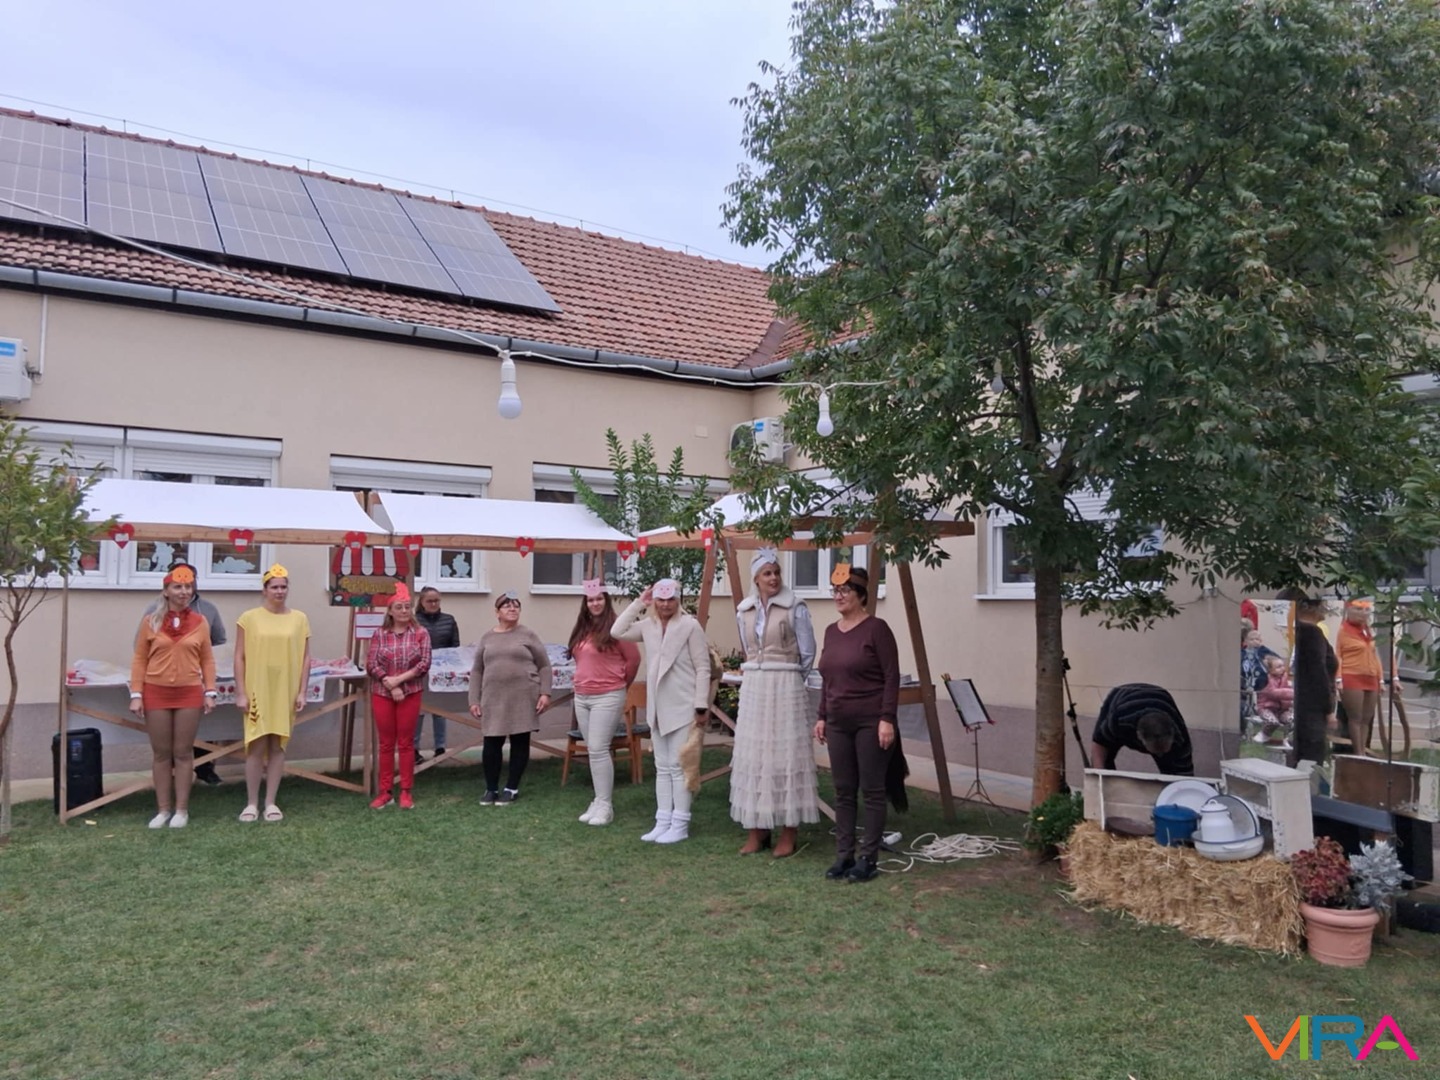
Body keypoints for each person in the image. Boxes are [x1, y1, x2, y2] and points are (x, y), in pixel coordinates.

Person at [730, 548, 819, 858]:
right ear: (756, 578)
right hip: (756, 686)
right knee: (755, 756)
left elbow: (808, 652)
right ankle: (757, 829)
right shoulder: (744, 610)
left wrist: (789, 676)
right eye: (767, 573)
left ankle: (789, 830)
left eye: (776, 572)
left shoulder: (795, 607)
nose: (773, 578)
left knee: (787, 755)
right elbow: (748, 646)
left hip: (785, 685)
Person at [815, 564, 899, 883]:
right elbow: (828, 679)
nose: (838, 596)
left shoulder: (877, 629)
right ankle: (844, 855)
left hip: (870, 721)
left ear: (861, 595)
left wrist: (887, 718)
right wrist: (822, 715)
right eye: (835, 591)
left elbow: (891, 676)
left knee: (872, 790)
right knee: (843, 790)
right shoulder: (831, 631)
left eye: (845, 591)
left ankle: (868, 859)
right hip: (838, 721)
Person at [613, 578, 711, 844]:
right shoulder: (648, 625)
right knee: (662, 767)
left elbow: (703, 667)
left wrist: (701, 705)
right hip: (658, 707)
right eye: (660, 599)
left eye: (670, 600)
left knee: (680, 767)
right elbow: (617, 631)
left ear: (678, 600)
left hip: (684, 706)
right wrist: (639, 603)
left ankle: (680, 823)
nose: (665, 605)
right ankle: (663, 821)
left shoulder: (690, 626)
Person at [129, 565, 218, 828]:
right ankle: (162, 809)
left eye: (188, 587)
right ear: (166, 591)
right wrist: (136, 693)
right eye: (177, 587)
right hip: (155, 691)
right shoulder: (150, 621)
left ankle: (181, 810)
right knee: (161, 753)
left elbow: (207, 660)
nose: (183, 591)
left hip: (188, 692)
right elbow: (140, 659)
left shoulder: (201, 622)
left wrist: (210, 690)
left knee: (183, 752)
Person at [234, 564, 311, 823]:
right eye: (274, 587)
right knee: (256, 745)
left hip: (284, 689)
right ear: (265, 590)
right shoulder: (249, 618)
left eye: (283, 587)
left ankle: (270, 802)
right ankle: (251, 803)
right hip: (258, 688)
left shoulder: (299, 619)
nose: (279, 591)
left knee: (278, 746)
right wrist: (241, 692)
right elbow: (239, 656)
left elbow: (306, 657)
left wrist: (302, 691)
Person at [141, 557, 227, 786]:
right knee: (164, 745)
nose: (184, 589)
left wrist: (208, 681)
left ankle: (204, 769)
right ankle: (166, 784)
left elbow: (217, 643)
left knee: (192, 740)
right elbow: (141, 651)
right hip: (160, 685)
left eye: (189, 582)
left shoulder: (208, 611)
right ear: (167, 586)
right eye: (178, 584)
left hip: (192, 683)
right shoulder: (153, 613)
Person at [568, 579, 641, 826]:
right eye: (590, 600)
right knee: (593, 750)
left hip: (607, 695)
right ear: (585, 603)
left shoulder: (616, 627)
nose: (595, 603)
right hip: (582, 695)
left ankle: (605, 805)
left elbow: (633, 660)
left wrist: (621, 685)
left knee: (599, 748)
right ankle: (598, 801)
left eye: (599, 598)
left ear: (606, 600)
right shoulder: (583, 628)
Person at [468, 591, 552, 805]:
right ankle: (491, 789)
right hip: (493, 697)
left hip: (523, 696)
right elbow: (477, 670)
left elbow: (544, 665)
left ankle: (511, 788)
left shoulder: (528, 634)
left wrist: (545, 693)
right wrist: (473, 699)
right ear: (497, 612)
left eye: (516, 605)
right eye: (507, 606)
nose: (512, 609)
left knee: (520, 741)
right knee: (491, 742)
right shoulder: (487, 637)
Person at [367, 582, 432, 810]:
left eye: (407, 607)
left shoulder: (421, 633)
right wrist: (389, 683)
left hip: (410, 692)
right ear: (390, 611)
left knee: (406, 742)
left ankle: (406, 790)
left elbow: (424, 663)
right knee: (386, 743)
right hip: (382, 693)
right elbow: (371, 664)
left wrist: (399, 680)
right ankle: (385, 791)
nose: (404, 611)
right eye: (399, 607)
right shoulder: (380, 634)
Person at [1089, 683, 1194, 776]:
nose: (1160, 755)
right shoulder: (1120, 720)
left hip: (1160, 699)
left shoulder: (1180, 737)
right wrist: (1100, 776)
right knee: (1104, 763)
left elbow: (1185, 775)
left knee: (1170, 767)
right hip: (1121, 696)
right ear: (1139, 736)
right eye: (1156, 751)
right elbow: (1099, 744)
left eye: (1163, 750)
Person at [1288, 592, 1339, 767]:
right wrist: (1328, 709)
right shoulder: (1312, 632)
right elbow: (1318, 672)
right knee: (1311, 756)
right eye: (1321, 605)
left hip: (1304, 702)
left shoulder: (1301, 631)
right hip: (1312, 706)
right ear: (1308, 607)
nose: (1324, 609)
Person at [412, 587, 459, 762]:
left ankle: (440, 747)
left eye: (436, 600)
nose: (433, 604)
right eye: (429, 601)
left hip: (442, 670)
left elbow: (455, 646)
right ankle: (414, 749)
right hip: (419, 670)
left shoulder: (449, 620)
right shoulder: (413, 621)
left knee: (440, 710)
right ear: (422, 602)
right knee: (418, 710)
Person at [1337, 599, 1383, 757]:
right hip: (1352, 675)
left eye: (1366, 610)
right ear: (1349, 610)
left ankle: (1363, 750)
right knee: (1355, 717)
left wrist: (1381, 679)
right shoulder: (1343, 630)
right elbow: (1338, 655)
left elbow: (1375, 655)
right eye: (1358, 609)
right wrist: (1338, 679)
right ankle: (1358, 753)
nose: (1363, 613)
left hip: (1371, 677)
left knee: (1366, 718)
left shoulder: (1369, 630)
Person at [1254, 655, 1294, 745]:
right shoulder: (1266, 679)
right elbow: (1273, 692)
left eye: (1283, 666)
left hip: (1282, 709)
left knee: (1293, 719)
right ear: (1270, 670)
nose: (1282, 668)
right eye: (1278, 667)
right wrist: (1293, 693)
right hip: (1266, 708)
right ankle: (1264, 734)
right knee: (1272, 722)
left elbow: (1286, 689)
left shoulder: (1284, 677)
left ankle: (1287, 738)